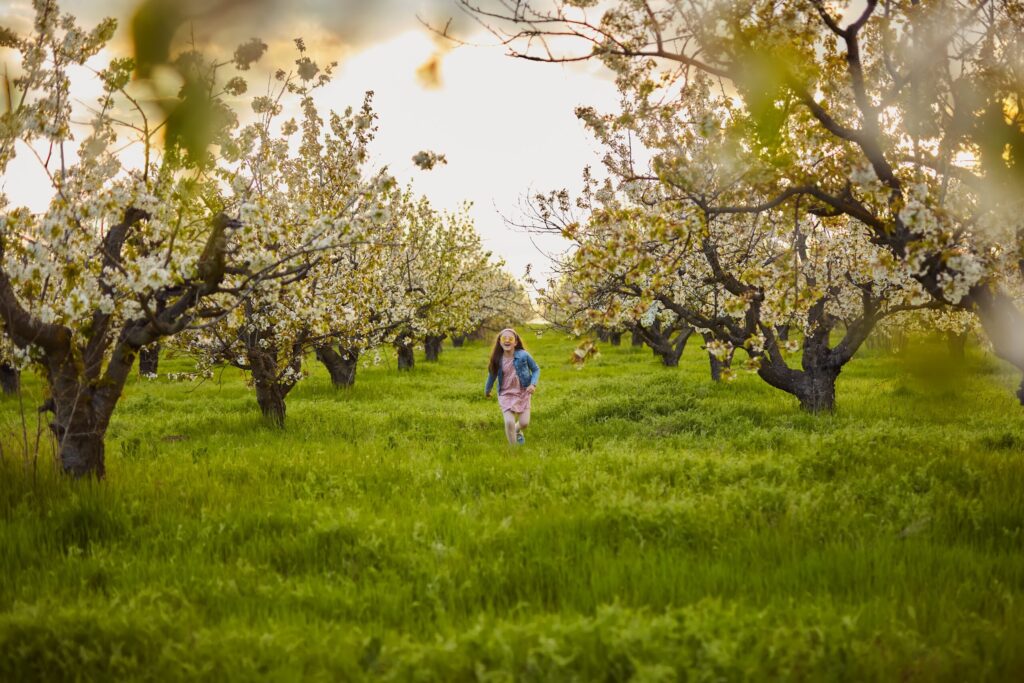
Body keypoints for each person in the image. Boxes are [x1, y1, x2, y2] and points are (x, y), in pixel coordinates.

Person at [484, 328, 540, 446]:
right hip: (506, 393)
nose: (507, 340)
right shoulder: (497, 359)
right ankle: (513, 450)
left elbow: (535, 369)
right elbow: (491, 376)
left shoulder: (524, 355)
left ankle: (516, 430)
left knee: (524, 423)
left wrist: (533, 384)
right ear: (500, 341)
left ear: (515, 342)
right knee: (509, 421)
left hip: (523, 392)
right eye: (504, 338)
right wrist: (487, 390)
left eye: (511, 338)